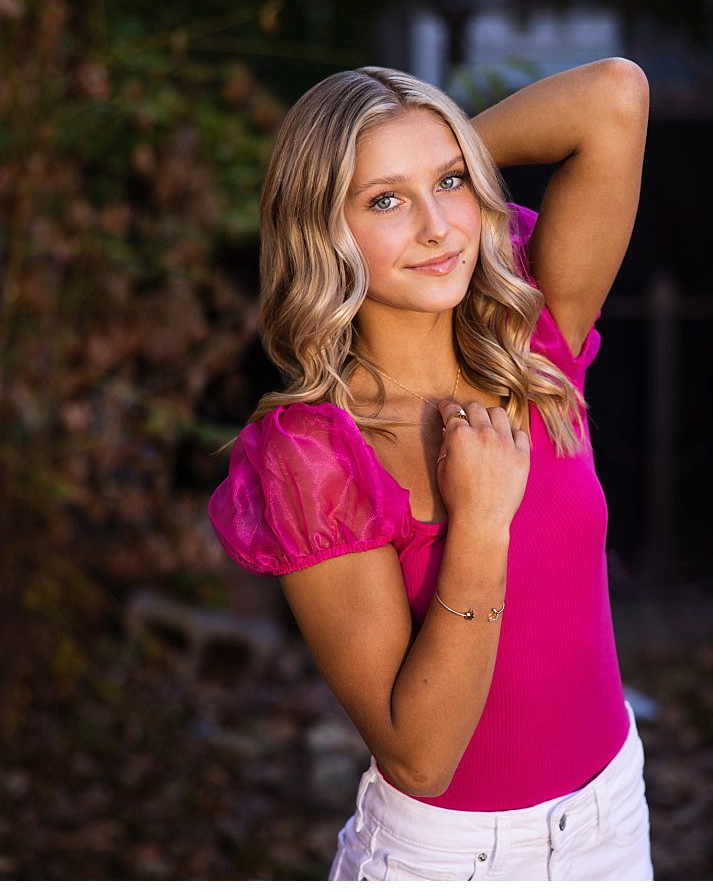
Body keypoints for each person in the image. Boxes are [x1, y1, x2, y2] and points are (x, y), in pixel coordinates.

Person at [207, 58, 651, 880]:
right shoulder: (316, 455)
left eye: (450, 184)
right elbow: (420, 758)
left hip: (612, 823)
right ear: (322, 229)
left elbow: (614, 96)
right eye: (384, 201)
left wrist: (439, 164)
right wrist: (481, 522)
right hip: (452, 862)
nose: (440, 227)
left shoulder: (532, 341)